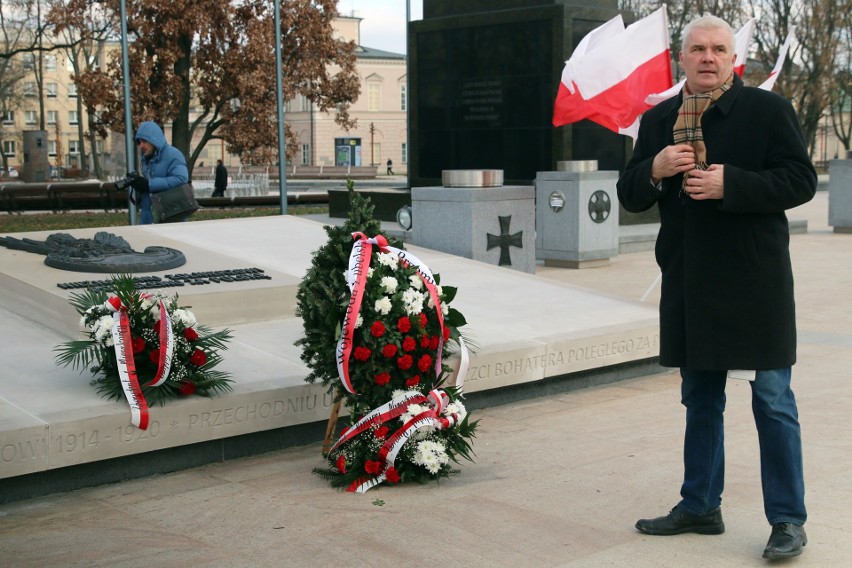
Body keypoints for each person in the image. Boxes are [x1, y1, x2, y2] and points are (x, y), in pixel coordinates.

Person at [616, 15, 816, 560]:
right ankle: (700, 504)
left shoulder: (767, 111)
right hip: (691, 281)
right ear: (683, 58)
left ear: (733, 59)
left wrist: (734, 183)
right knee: (700, 399)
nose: (708, 57)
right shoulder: (658, 120)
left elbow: (801, 181)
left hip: (755, 282)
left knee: (773, 400)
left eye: (719, 49)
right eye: (698, 49)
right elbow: (630, 193)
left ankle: (787, 520)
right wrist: (654, 167)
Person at [131, 121, 189, 224]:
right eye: (139, 142)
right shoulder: (146, 158)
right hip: (148, 215)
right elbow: (150, 186)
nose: (141, 146)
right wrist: (139, 186)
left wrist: (149, 185)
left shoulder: (173, 154)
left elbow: (181, 178)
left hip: (170, 216)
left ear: (154, 139)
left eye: (144, 141)